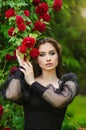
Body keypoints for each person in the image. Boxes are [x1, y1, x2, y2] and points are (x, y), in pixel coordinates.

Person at [0, 37, 79, 130]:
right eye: (42, 55)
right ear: (36, 59)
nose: (48, 58)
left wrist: (33, 83)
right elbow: (12, 95)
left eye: (52, 53)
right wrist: (22, 67)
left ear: (58, 55)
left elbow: (58, 101)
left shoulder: (68, 83)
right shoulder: (27, 83)